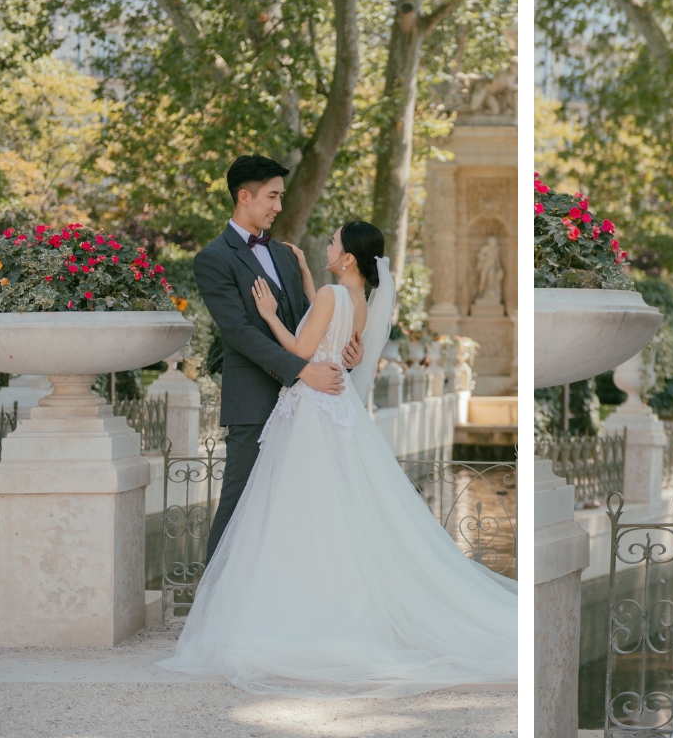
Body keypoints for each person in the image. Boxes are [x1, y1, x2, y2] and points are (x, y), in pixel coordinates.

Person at [159, 220, 517, 697]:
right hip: (338, 408)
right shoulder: (361, 304)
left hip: (309, 409)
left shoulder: (332, 296)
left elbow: (302, 347)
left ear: (347, 257)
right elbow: (326, 321)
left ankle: (289, 612)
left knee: (293, 510)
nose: (325, 246)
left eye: (332, 243)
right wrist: (307, 275)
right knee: (333, 511)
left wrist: (268, 314)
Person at [192, 155, 363, 560]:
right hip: (253, 400)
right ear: (244, 196)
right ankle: (212, 609)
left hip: (307, 407)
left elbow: (310, 323)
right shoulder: (213, 258)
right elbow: (239, 333)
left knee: (301, 505)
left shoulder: (286, 255)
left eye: (282, 197)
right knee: (240, 502)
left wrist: (343, 356)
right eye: (272, 196)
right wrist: (304, 371)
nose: (279, 207)